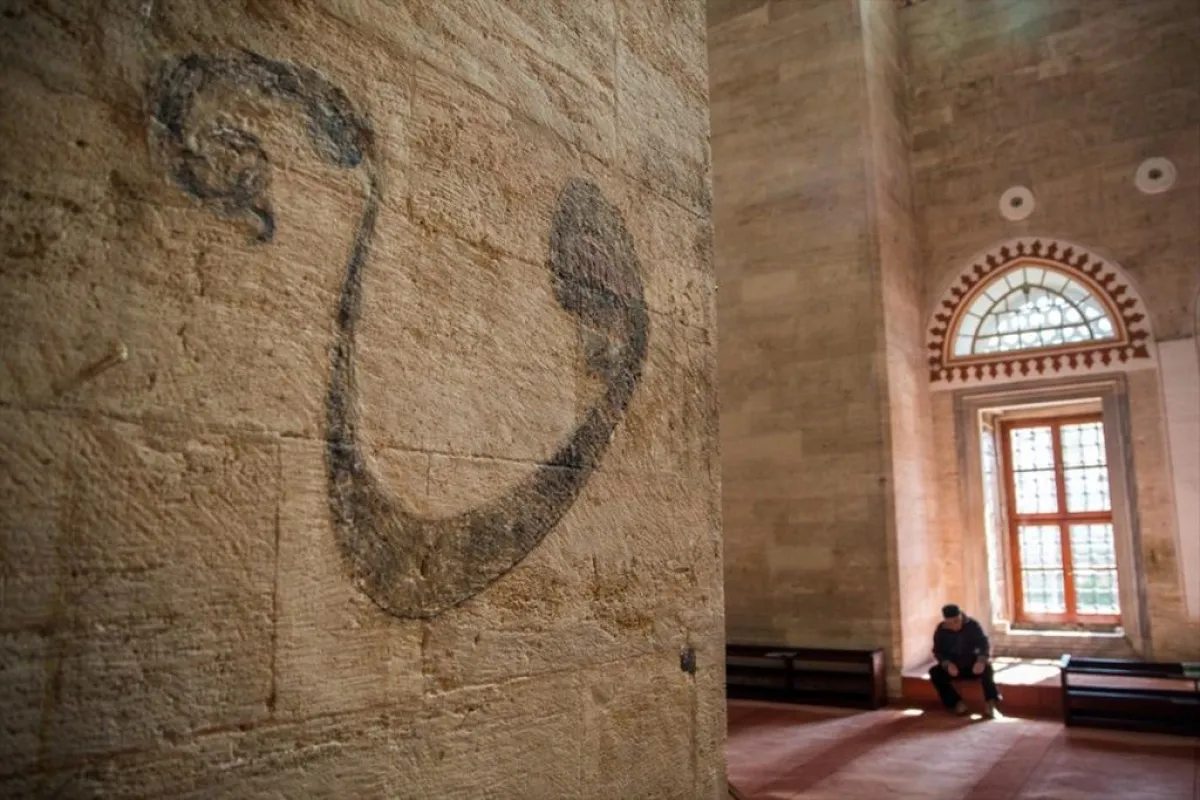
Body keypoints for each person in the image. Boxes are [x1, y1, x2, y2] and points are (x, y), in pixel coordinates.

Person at [929, 603, 1001, 718]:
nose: (954, 625)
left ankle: (990, 704)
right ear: (946, 621)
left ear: (961, 616)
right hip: (954, 667)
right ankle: (956, 703)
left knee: (988, 669)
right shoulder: (941, 630)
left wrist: (981, 661)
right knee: (935, 673)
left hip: (972, 665)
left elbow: (983, 644)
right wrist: (947, 664)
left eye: (956, 621)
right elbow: (938, 651)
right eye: (950, 623)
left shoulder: (972, 625)